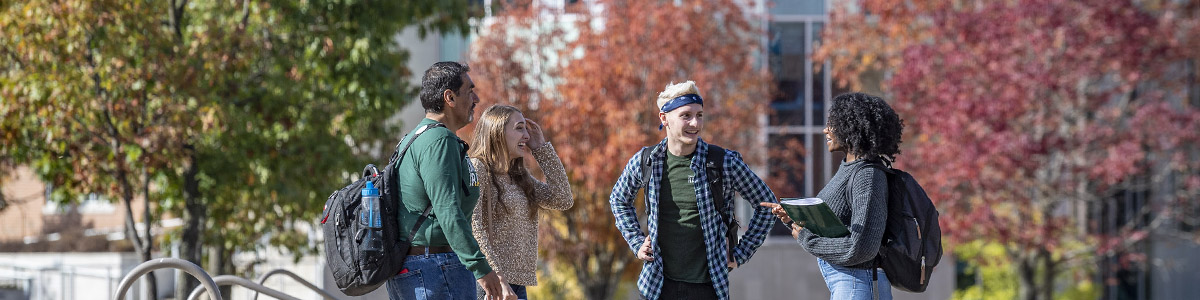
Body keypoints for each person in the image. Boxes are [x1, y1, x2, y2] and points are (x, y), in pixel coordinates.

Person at [609, 81, 781, 300]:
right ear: (664, 118)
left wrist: (741, 253)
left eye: (699, 115)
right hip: (657, 286)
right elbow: (618, 199)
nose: (695, 123)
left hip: (708, 287)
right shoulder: (646, 161)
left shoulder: (723, 162)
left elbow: (767, 205)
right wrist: (636, 241)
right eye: (686, 115)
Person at [387, 61, 515, 300]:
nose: (476, 99)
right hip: (436, 269)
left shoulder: (415, 137)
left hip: (423, 269)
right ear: (450, 97)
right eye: (469, 91)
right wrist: (481, 268)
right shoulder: (439, 141)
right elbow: (448, 211)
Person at [760, 92, 904, 300]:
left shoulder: (868, 175)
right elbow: (835, 227)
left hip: (858, 285)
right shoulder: (849, 168)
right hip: (850, 285)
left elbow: (863, 248)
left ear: (851, 126)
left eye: (832, 124)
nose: (824, 130)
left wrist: (806, 238)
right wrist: (793, 218)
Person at [468, 105, 574, 300]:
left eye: (526, 129)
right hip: (490, 284)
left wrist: (541, 149)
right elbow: (473, 226)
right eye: (519, 128)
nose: (526, 135)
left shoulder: (519, 176)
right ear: (497, 131)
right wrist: (499, 280)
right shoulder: (478, 167)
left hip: (516, 285)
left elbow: (563, 199)